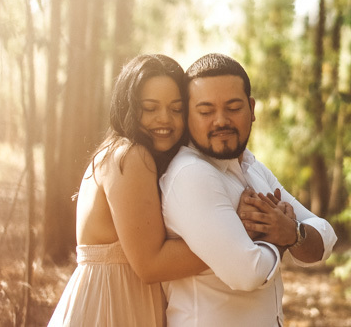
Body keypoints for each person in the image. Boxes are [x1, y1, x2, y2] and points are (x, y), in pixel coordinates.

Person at [160, 52, 338, 327]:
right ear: (187, 116)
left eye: (233, 108)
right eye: (206, 111)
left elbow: (325, 236)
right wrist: (281, 238)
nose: (220, 121)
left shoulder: (252, 167)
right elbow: (248, 273)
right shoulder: (191, 174)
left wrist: (293, 232)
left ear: (252, 109)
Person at [48, 54, 226, 326]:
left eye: (176, 109)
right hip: (110, 307)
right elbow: (151, 265)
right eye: (150, 108)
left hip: (120, 301)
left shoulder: (119, 153)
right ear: (128, 107)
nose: (164, 118)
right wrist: (236, 236)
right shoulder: (131, 156)